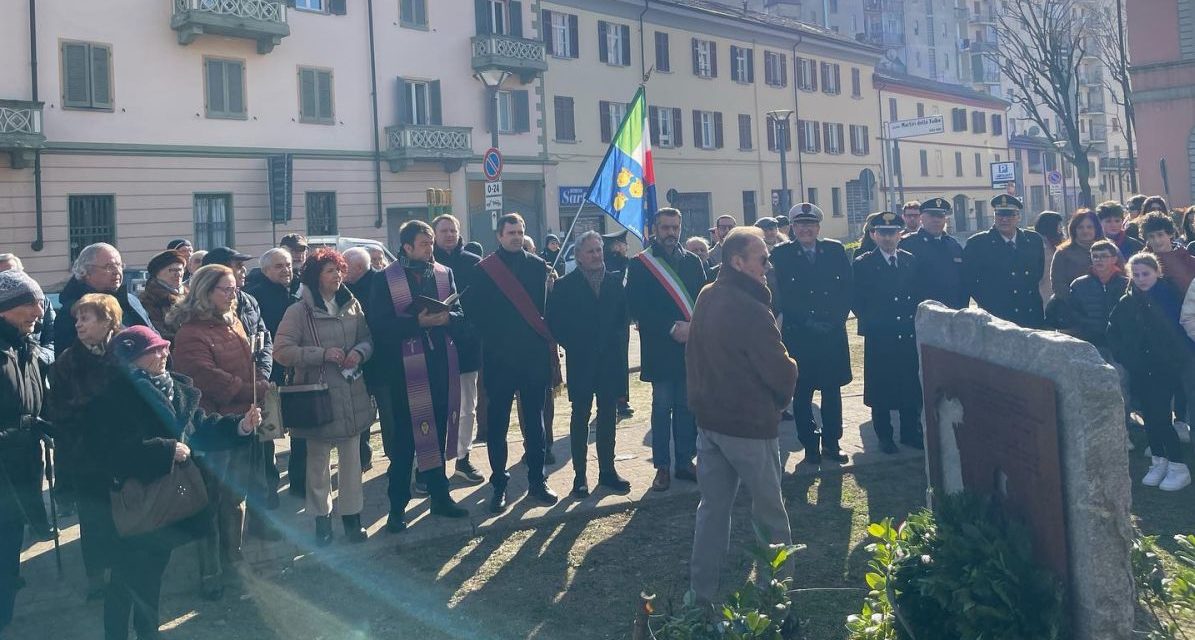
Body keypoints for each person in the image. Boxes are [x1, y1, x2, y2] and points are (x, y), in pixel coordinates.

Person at [92, 325, 260, 640]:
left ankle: (146, 633)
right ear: (132, 359)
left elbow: (201, 426)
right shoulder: (114, 395)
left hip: (167, 500)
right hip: (132, 499)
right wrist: (168, 450)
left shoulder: (173, 388)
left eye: (164, 347)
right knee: (127, 579)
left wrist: (241, 426)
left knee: (148, 577)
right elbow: (110, 451)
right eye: (153, 350)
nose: (164, 353)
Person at [686, 226, 797, 604]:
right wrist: (782, 397)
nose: (768, 265)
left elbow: (694, 354)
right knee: (770, 515)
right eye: (762, 258)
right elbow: (780, 371)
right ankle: (777, 597)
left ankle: (700, 598)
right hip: (748, 426)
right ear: (738, 261)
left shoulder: (707, 295)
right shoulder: (750, 308)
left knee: (712, 512)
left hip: (710, 423)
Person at [167, 265, 271, 600]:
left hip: (242, 422)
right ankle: (210, 572)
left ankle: (234, 562)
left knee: (235, 499)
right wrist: (249, 388)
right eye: (225, 289)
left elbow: (249, 359)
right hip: (211, 428)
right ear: (205, 291)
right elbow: (202, 376)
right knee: (209, 504)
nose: (233, 294)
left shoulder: (234, 321)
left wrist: (257, 385)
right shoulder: (191, 333)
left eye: (233, 288)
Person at [370, 221, 471, 527]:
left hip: (440, 366)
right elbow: (379, 325)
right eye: (424, 243)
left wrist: (446, 319)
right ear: (407, 247)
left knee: (437, 435)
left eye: (431, 243)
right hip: (404, 372)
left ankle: (440, 497)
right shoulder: (385, 279)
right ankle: (397, 508)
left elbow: (460, 315)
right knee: (405, 443)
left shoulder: (444, 273)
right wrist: (418, 325)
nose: (430, 248)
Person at [274, 249, 374, 545]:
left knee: (352, 462)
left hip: (352, 393)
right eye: (331, 270)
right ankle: (322, 521)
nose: (337, 276)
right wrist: (321, 355)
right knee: (317, 464)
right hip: (317, 398)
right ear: (316, 276)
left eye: (340, 270)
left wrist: (359, 353)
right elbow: (281, 351)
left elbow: (368, 339)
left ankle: (352, 519)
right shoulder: (298, 311)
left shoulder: (352, 303)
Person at [463, 213, 558, 513]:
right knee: (498, 426)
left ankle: (537, 481)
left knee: (535, 423)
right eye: (511, 232)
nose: (516, 236)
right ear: (500, 236)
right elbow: (473, 314)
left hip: (532, 360)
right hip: (499, 360)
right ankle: (499, 485)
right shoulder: (484, 270)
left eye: (520, 231)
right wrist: (498, 337)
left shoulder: (538, 267)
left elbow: (547, 313)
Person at [47, 293, 123, 601]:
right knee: (94, 520)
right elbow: (60, 413)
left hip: (127, 449)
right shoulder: (68, 362)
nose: (78, 324)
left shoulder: (127, 351)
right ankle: (97, 577)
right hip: (88, 455)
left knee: (127, 512)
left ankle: (126, 568)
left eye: (86, 318)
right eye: (77, 319)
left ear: (108, 321)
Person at [626, 208, 707, 491]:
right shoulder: (640, 264)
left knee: (687, 408)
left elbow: (703, 301)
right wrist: (671, 328)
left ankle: (685, 461)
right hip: (660, 347)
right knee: (662, 409)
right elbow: (636, 306)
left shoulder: (693, 262)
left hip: (689, 348)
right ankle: (661, 466)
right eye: (665, 228)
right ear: (655, 229)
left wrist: (692, 329)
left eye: (675, 227)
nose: (671, 233)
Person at [547, 231, 632, 498]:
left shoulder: (615, 281)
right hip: (582, 360)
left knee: (608, 416)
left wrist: (614, 343)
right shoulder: (564, 286)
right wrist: (577, 343)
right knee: (580, 416)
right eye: (591, 251)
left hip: (609, 361)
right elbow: (555, 323)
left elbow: (622, 318)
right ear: (579, 256)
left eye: (599, 250)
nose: (597, 255)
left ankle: (607, 471)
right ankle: (580, 476)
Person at [201, 248, 276, 534]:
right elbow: (205, 372)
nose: (242, 273)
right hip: (224, 408)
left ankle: (261, 522)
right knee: (227, 481)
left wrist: (262, 375)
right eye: (234, 267)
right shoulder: (199, 322)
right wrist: (246, 386)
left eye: (242, 268)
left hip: (256, 396)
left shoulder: (249, 302)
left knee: (261, 464)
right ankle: (227, 544)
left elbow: (264, 339)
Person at [771, 203, 852, 464]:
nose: (805, 229)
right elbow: (781, 295)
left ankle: (832, 442)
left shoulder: (835, 250)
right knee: (802, 393)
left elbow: (846, 289)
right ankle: (809, 445)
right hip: (800, 334)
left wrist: (836, 319)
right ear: (793, 228)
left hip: (831, 334)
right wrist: (806, 321)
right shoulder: (781, 254)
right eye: (800, 225)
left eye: (810, 224)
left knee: (832, 392)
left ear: (818, 227)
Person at [1110, 253, 1192, 491]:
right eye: (1136, 275)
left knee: (1162, 417)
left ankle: (1178, 464)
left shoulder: (1169, 298)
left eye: (1146, 274)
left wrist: (1172, 360)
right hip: (1139, 368)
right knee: (1148, 417)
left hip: (1164, 369)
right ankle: (1159, 459)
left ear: (1157, 272)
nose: (1141, 279)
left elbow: (1178, 334)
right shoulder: (1126, 301)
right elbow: (1113, 331)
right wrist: (1127, 357)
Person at [0, 270, 48, 634]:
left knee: (10, 544)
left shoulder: (24, 347)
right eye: (30, 303)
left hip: (22, 464)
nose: (40, 310)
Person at [853, 211, 925, 454]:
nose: (887, 238)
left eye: (892, 232)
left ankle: (910, 432)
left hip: (906, 333)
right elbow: (858, 300)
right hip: (881, 335)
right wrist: (874, 321)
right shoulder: (863, 263)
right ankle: (885, 436)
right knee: (881, 387)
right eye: (882, 233)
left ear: (900, 234)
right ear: (873, 235)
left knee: (909, 385)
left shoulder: (909, 260)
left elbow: (917, 294)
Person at [431, 215, 485, 484]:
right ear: (434, 234)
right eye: (444, 230)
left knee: (467, 407)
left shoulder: (473, 264)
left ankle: (463, 458)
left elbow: (484, 305)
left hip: (466, 346)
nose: (449, 234)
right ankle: (431, 463)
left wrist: (470, 330)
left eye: (453, 230)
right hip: (433, 348)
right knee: (433, 408)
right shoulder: (424, 263)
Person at [243, 248, 300, 500]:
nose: (286, 269)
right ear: (265, 270)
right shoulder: (256, 296)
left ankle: (300, 481)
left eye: (288, 264)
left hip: (297, 372)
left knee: (301, 429)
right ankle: (270, 490)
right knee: (267, 434)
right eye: (279, 266)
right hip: (270, 376)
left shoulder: (299, 291)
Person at [961, 195, 1046, 328]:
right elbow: (968, 281)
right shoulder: (978, 243)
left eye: (1010, 214)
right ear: (994, 216)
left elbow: (1038, 273)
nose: (1004, 219)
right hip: (997, 318)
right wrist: (989, 304)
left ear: (1018, 216)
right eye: (1000, 214)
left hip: (1031, 315)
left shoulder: (1033, 240)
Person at [54, 243, 152, 356]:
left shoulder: (131, 300)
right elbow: (67, 362)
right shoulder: (73, 310)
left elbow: (154, 336)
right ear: (85, 272)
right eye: (108, 267)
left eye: (119, 265)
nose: (117, 272)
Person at [897, 198, 966, 309]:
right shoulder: (907, 244)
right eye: (932, 216)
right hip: (921, 314)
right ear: (922, 218)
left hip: (952, 313)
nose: (936, 220)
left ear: (945, 219)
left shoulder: (953, 245)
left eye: (940, 216)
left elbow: (963, 282)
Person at [1046, 209, 1102, 328]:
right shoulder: (1063, 252)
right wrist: (1077, 304)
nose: (1085, 231)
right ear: (1074, 229)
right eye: (1081, 227)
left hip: (1104, 310)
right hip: (1073, 313)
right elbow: (1058, 284)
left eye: (1089, 227)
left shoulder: (1109, 248)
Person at [0, 255, 54, 363]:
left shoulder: (43, 301)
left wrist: (38, 358)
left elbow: (52, 338)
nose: (39, 313)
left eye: (13, 272)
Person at [138, 251, 187, 341]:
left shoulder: (191, 295)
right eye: (172, 270)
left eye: (180, 270)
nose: (178, 274)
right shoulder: (149, 299)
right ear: (158, 273)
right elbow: (157, 332)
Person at [1034, 210, 1065, 305]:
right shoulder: (1039, 245)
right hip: (1044, 292)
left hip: (1057, 292)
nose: (1061, 228)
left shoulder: (1058, 242)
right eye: (1059, 225)